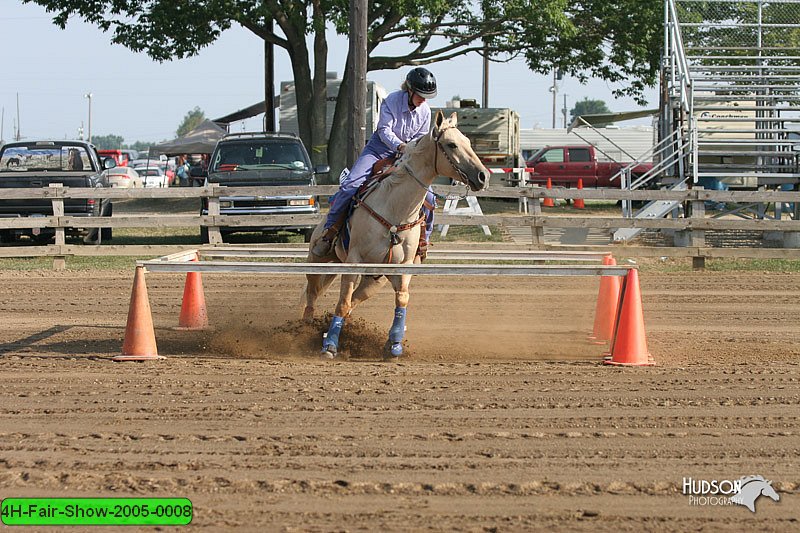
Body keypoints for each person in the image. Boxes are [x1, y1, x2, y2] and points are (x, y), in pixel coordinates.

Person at [311, 67, 438, 256]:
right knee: (350, 185)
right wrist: (401, 146)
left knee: (429, 198)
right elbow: (384, 130)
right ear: (409, 90)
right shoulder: (392, 101)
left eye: (426, 96)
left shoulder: (425, 111)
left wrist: (410, 151)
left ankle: (423, 240)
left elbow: (420, 137)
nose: (423, 100)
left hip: (406, 155)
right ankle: (330, 232)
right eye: (420, 95)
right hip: (379, 149)